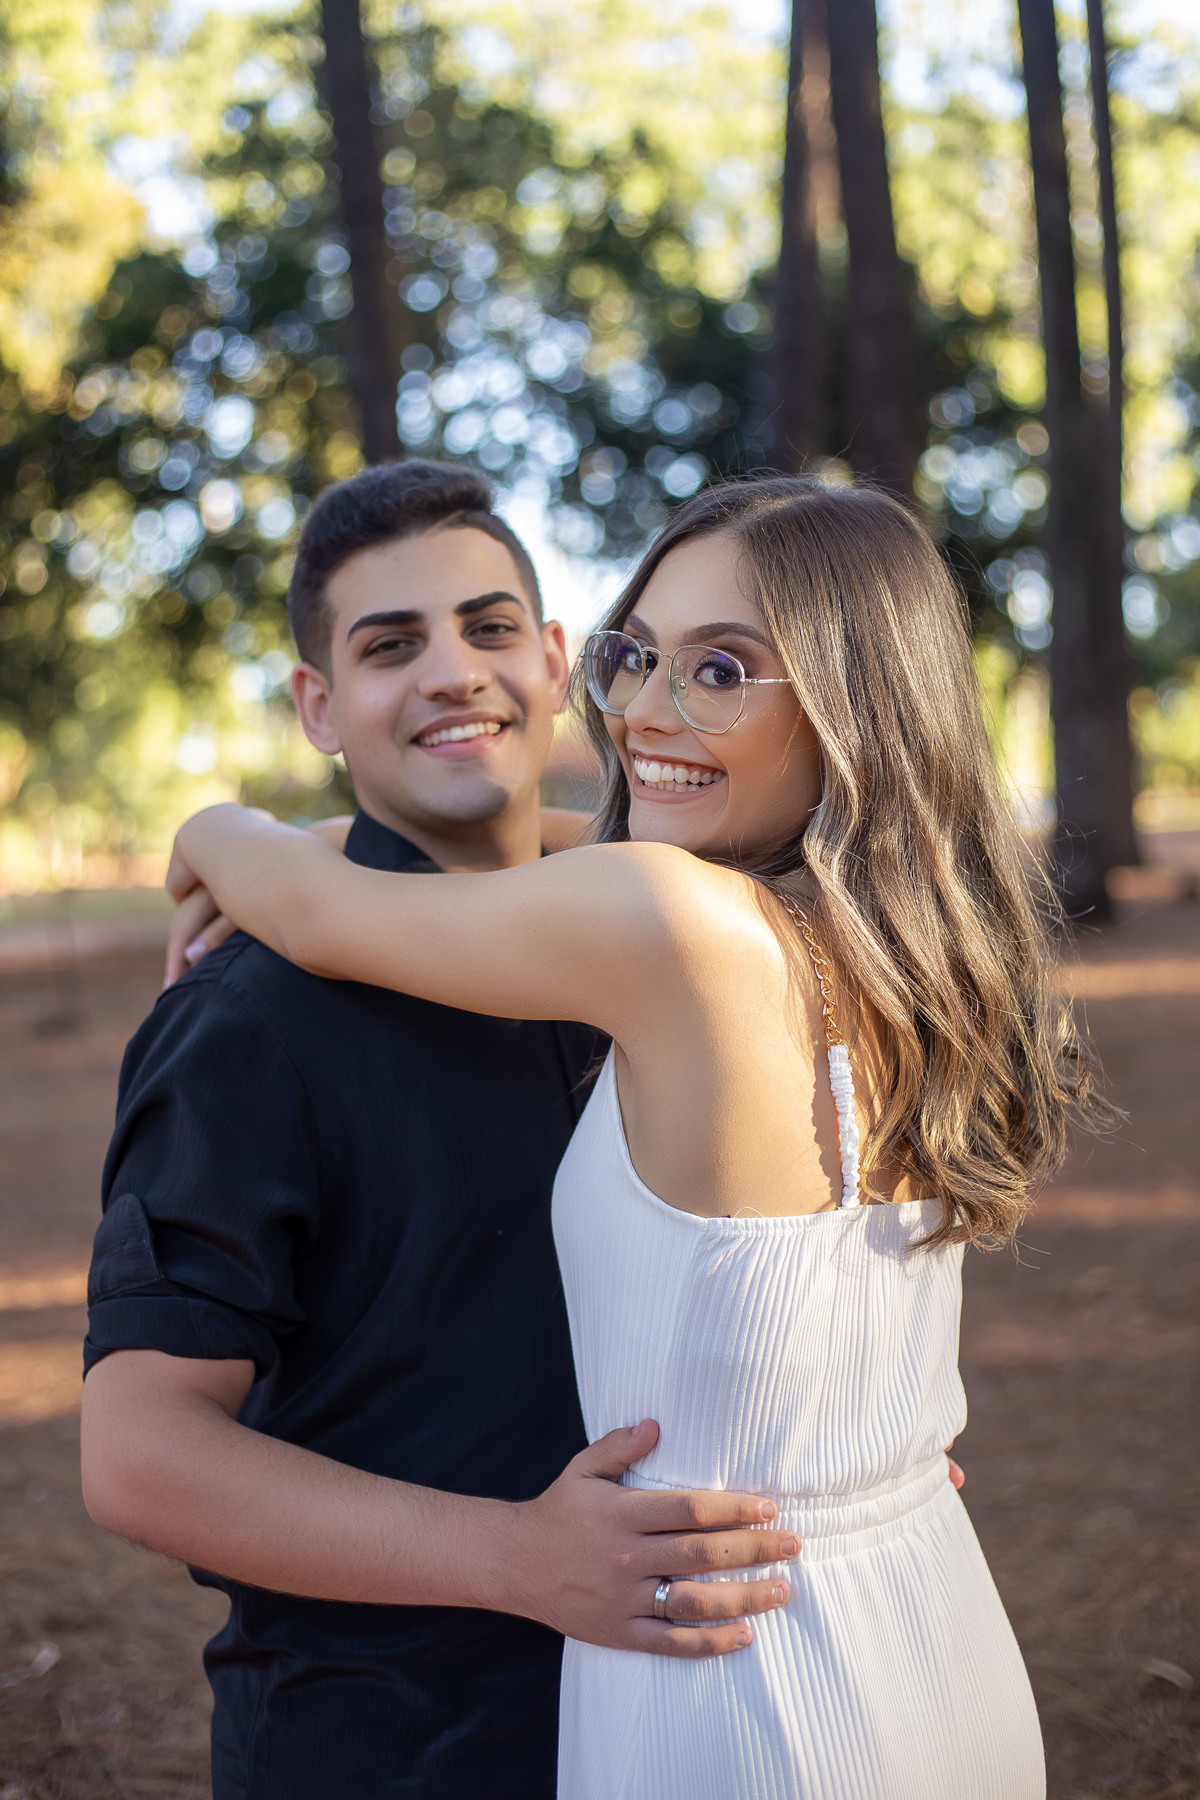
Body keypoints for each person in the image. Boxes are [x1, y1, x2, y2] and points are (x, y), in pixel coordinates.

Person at [162, 473, 1109, 1800]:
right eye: (639, 655)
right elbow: (603, 833)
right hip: (924, 1613)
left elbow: (323, 917)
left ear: (852, 703)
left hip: (733, 1681)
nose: (647, 711)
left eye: (720, 670)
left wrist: (219, 829)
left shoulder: (668, 926)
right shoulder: (904, 949)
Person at [78, 461, 803, 1800]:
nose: (453, 673)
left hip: (699, 1719)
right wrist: (516, 1557)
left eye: (486, 628)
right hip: (394, 1743)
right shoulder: (249, 1016)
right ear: (319, 706)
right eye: (390, 646)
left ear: (555, 662)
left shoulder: (670, 947)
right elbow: (138, 1455)